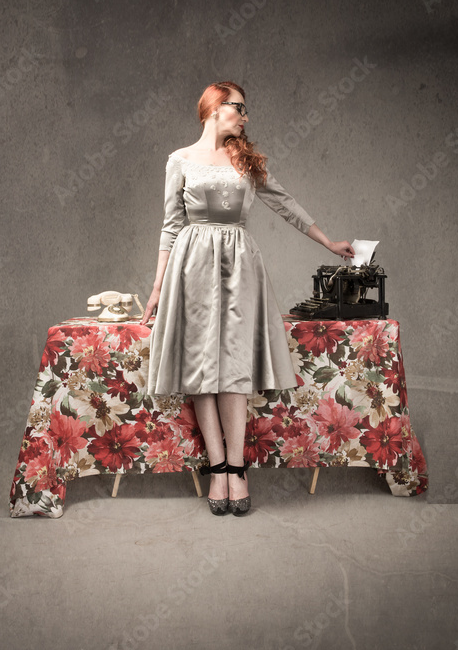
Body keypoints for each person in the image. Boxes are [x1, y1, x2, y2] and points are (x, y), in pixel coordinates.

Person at [140, 81, 355, 516]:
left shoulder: (245, 160)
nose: (245, 116)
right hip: (191, 267)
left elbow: (285, 203)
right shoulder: (179, 160)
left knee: (234, 367)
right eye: (239, 107)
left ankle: (236, 469)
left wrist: (328, 243)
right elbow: (170, 226)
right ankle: (217, 468)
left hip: (239, 267)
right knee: (200, 367)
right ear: (215, 108)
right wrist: (159, 287)